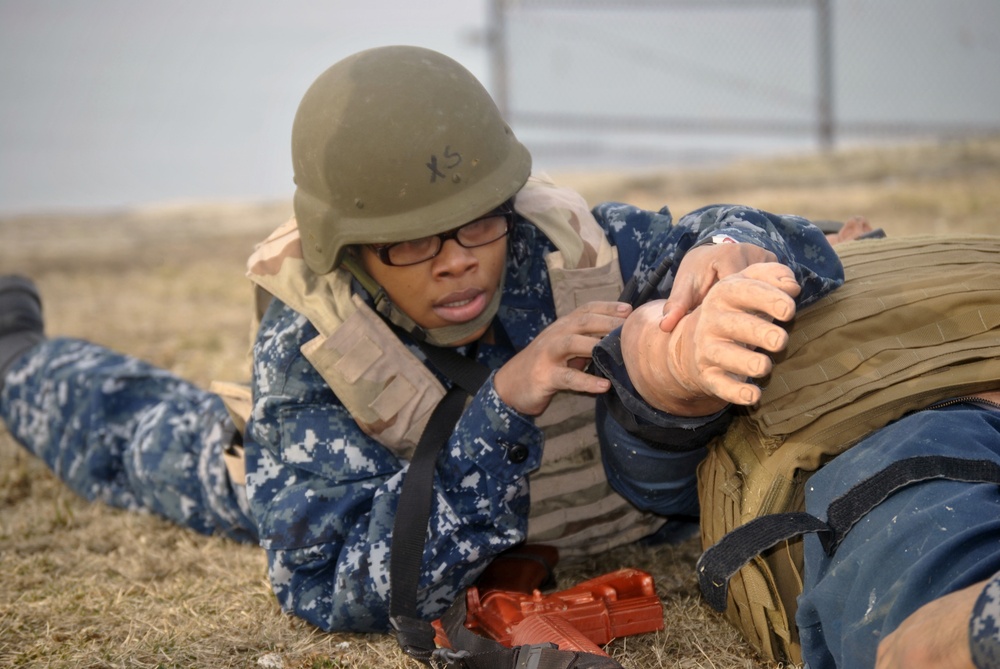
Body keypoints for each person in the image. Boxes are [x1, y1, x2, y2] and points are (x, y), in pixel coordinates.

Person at [0, 44, 988, 668]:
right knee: (155, 438)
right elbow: (329, 580)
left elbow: (750, 233)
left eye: (473, 227)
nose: (455, 263)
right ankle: (17, 358)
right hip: (367, 479)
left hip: (587, 506)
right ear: (350, 249)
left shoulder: (550, 244)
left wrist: (730, 253)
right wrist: (499, 412)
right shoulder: (309, 350)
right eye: (410, 246)